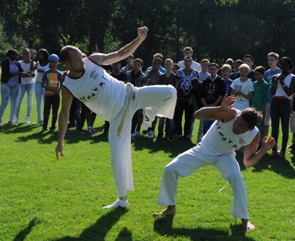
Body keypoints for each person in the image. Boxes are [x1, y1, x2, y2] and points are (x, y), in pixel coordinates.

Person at [55, 26, 177, 209]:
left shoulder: (93, 60)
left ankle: (149, 113)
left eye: (81, 55)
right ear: (67, 64)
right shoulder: (68, 87)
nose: (82, 60)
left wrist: (139, 39)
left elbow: (121, 54)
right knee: (116, 158)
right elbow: (64, 115)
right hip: (117, 119)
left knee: (170, 92)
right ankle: (122, 200)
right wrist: (60, 141)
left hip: (131, 95)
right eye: (77, 60)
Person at [153, 95, 276, 231]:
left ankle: (244, 219)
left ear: (250, 129)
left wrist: (263, 149)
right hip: (203, 149)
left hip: (225, 156)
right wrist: (219, 108)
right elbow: (198, 115)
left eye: (241, 127)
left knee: (238, 179)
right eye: (237, 122)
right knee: (170, 169)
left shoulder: (254, 135)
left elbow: (247, 162)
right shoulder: (230, 114)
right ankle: (170, 208)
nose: (236, 126)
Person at [270, 57, 295, 158]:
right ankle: (274, 150)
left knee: (285, 127)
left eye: (285, 64)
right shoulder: (275, 76)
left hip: (285, 102)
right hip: (275, 102)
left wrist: (282, 81)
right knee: (274, 127)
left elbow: (289, 92)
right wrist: (276, 82)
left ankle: (283, 151)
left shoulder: (292, 77)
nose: (283, 66)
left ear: (289, 66)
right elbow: (272, 92)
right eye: (281, 64)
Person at [174, 56, 199, 142]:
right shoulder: (179, 72)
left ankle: (187, 135)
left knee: (188, 119)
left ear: (191, 63)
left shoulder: (196, 73)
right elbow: (177, 85)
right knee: (178, 117)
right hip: (180, 98)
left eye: (189, 61)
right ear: (183, 62)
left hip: (189, 99)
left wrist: (192, 98)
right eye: (186, 61)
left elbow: (195, 87)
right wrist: (175, 98)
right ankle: (179, 134)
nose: (187, 63)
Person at [0, 49, 24, 126]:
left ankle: (11, 120)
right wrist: (18, 73)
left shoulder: (17, 63)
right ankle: (0, 120)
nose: (18, 56)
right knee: (5, 102)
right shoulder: (5, 62)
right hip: (6, 84)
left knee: (14, 103)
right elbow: (6, 74)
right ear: (11, 55)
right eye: (16, 55)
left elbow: (21, 71)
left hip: (15, 85)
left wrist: (27, 74)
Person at [198, 62, 226, 134]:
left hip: (217, 106)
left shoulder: (220, 81)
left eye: (214, 69)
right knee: (206, 125)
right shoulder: (205, 81)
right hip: (206, 105)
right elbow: (201, 95)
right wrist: (206, 105)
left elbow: (222, 94)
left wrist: (214, 104)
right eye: (211, 69)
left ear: (217, 70)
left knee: (215, 125)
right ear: (208, 70)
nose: (212, 71)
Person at [41, 54, 62, 132]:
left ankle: (53, 127)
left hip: (56, 96)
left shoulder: (59, 74)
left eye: (55, 62)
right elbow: (42, 84)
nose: (53, 64)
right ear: (49, 63)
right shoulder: (46, 72)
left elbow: (62, 85)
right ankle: (44, 127)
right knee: (46, 112)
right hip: (48, 95)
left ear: (58, 63)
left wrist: (58, 89)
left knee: (55, 112)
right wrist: (51, 88)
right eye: (51, 62)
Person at [14, 48, 36, 124]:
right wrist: (28, 74)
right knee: (18, 100)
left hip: (31, 83)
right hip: (22, 84)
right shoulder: (19, 63)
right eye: (25, 53)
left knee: (29, 101)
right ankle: (16, 117)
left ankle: (27, 117)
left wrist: (26, 74)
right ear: (23, 54)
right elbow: (21, 74)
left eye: (28, 53)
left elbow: (33, 75)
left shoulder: (33, 63)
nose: (27, 55)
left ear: (30, 54)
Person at [264, 52, 281, 138]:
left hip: (277, 100)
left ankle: (274, 142)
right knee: (266, 123)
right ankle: (264, 141)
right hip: (267, 100)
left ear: (277, 61)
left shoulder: (280, 72)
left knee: (275, 123)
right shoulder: (266, 73)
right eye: (269, 60)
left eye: (272, 60)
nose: (270, 62)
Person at [252, 66, 269, 147]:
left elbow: (265, 98)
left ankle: (260, 145)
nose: (257, 76)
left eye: (259, 74)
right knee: (253, 126)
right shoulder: (254, 83)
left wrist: (262, 110)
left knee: (260, 127)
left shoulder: (265, 84)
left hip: (260, 108)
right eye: (256, 74)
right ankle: (253, 143)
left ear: (263, 75)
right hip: (253, 107)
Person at [33, 49, 50, 125]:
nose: (40, 56)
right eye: (39, 55)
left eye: (41, 55)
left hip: (45, 84)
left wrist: (43, 72)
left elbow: (50, 73)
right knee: (38, 102)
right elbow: (31, 69)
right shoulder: (37, 63)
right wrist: (32, 59)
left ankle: (45, 119)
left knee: (45, 101)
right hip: (37, 83)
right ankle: (39, 119)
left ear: (45, 55)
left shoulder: (49, 64)